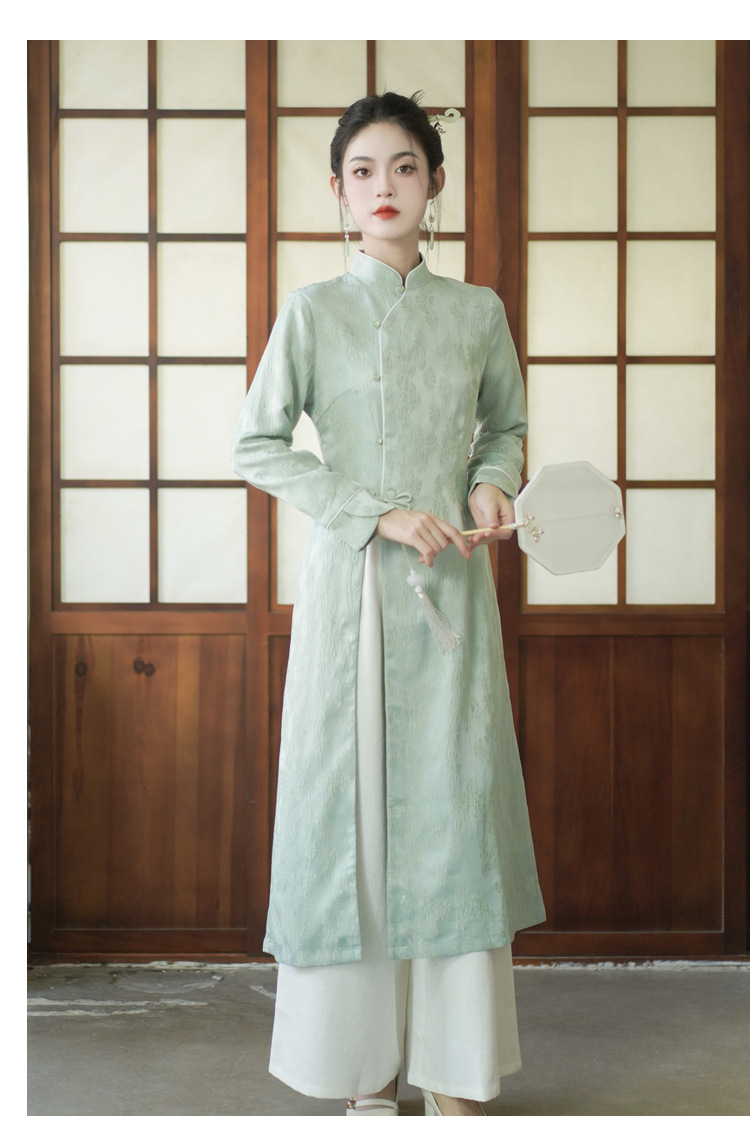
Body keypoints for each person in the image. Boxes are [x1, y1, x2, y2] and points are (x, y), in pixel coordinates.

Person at [231, 91, 545, 1117]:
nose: (383, 188)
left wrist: (490, 485)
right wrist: (375, 513)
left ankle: (454, 1075)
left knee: (454, 813)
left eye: (404, 167)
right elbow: (257, 444)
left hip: (449, 589)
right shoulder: (312, 311)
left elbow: (505, 429)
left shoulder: (477, 312)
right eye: (362, 171)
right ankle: (361, 1071)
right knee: (352, 819)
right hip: (352, 594)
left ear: (434, 184)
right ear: (337, 190)